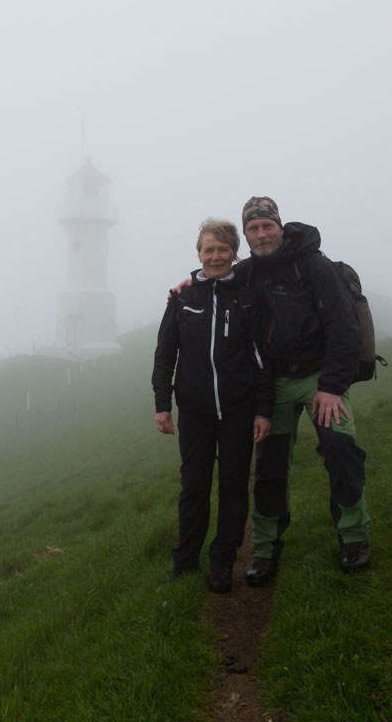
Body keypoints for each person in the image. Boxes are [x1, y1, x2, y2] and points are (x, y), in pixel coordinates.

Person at [236, 196, 372, 582]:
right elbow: (210, 283)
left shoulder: (313, 265)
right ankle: (264, 549)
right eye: (253, 228)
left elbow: (344, 328)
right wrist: (185, 285)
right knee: (270, 466)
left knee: (340, 447)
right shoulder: (246, 273)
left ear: (280, 226)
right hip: (272, 385)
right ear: (246, 234)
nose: (261, 234)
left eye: (267, 226)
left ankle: (354, 537)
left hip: (319, 379)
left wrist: (331, 388)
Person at [152, 218, 273, 593]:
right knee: (194, 487)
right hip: (195, 410)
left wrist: (263, 410)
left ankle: (223, 560)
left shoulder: (248, 298)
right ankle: (185, 561)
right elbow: (165, 354)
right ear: (199, 254)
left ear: (234, 253)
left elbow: (261, 358)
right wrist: (162, 405)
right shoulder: (182, 298)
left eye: (223, 249)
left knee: (234, 485)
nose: (215, 256)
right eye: (209, 249)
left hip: (238, 408)